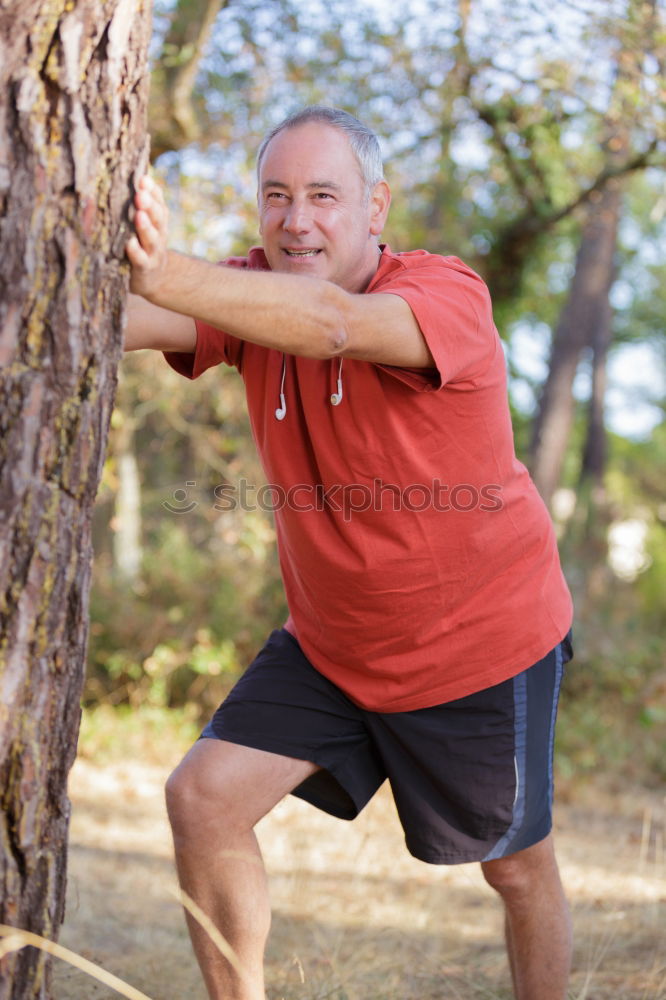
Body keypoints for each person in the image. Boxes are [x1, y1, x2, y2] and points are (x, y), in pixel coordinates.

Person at [125, 105, 574, 1000]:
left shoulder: (445, 294)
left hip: (479, 642)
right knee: (202, 800)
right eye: (277, 196)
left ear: (376, 208)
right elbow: (114, 324)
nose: (298, 220)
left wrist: (166, 268)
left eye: (324, 196)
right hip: (332, 645)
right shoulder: (248, 294)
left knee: (516, 870)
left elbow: (332, 323)